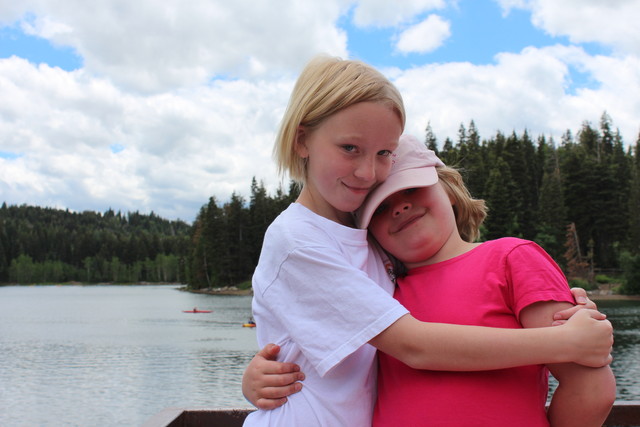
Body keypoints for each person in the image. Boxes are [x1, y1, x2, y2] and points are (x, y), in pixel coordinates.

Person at [242, 55, 613, 426]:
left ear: (448, 190)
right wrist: (568, 340)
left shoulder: (375, 250)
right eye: (350, 148)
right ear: (302, 139)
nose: (368, 172)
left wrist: (568, 307)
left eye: (384, 152)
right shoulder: (297, 242)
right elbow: (412, 345)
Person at [355, 134, 617, 426]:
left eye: (412, 189)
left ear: (449, 189)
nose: (399, 207)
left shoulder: (512, 258)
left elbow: (591, 389)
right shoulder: (375, 289)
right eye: (379, 206)